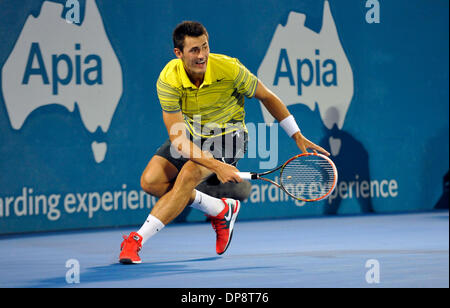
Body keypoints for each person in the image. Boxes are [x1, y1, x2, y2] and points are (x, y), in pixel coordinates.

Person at [119, 21, 329, 264]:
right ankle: (220, 209)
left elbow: (267, 97)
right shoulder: (169, 79)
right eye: (194, 50)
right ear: (178, 53)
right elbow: (178, 139)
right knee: (151, 181)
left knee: (187, 177)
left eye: (205, 47)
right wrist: (217, 167)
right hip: (191, 135)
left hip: (229, 137)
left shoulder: (229, 68)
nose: (202, 56)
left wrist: (296, 134)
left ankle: (136, 240)